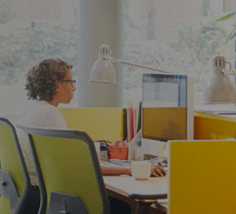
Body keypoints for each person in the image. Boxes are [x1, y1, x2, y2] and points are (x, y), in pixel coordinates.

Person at [16, 58, 165, 177]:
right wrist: (129, 169)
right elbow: (78, 167)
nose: (74, 87)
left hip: (38, 192)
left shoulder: (33, 108)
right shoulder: (48, 113)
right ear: (57, 84)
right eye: (71, 82)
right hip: (53, 196)